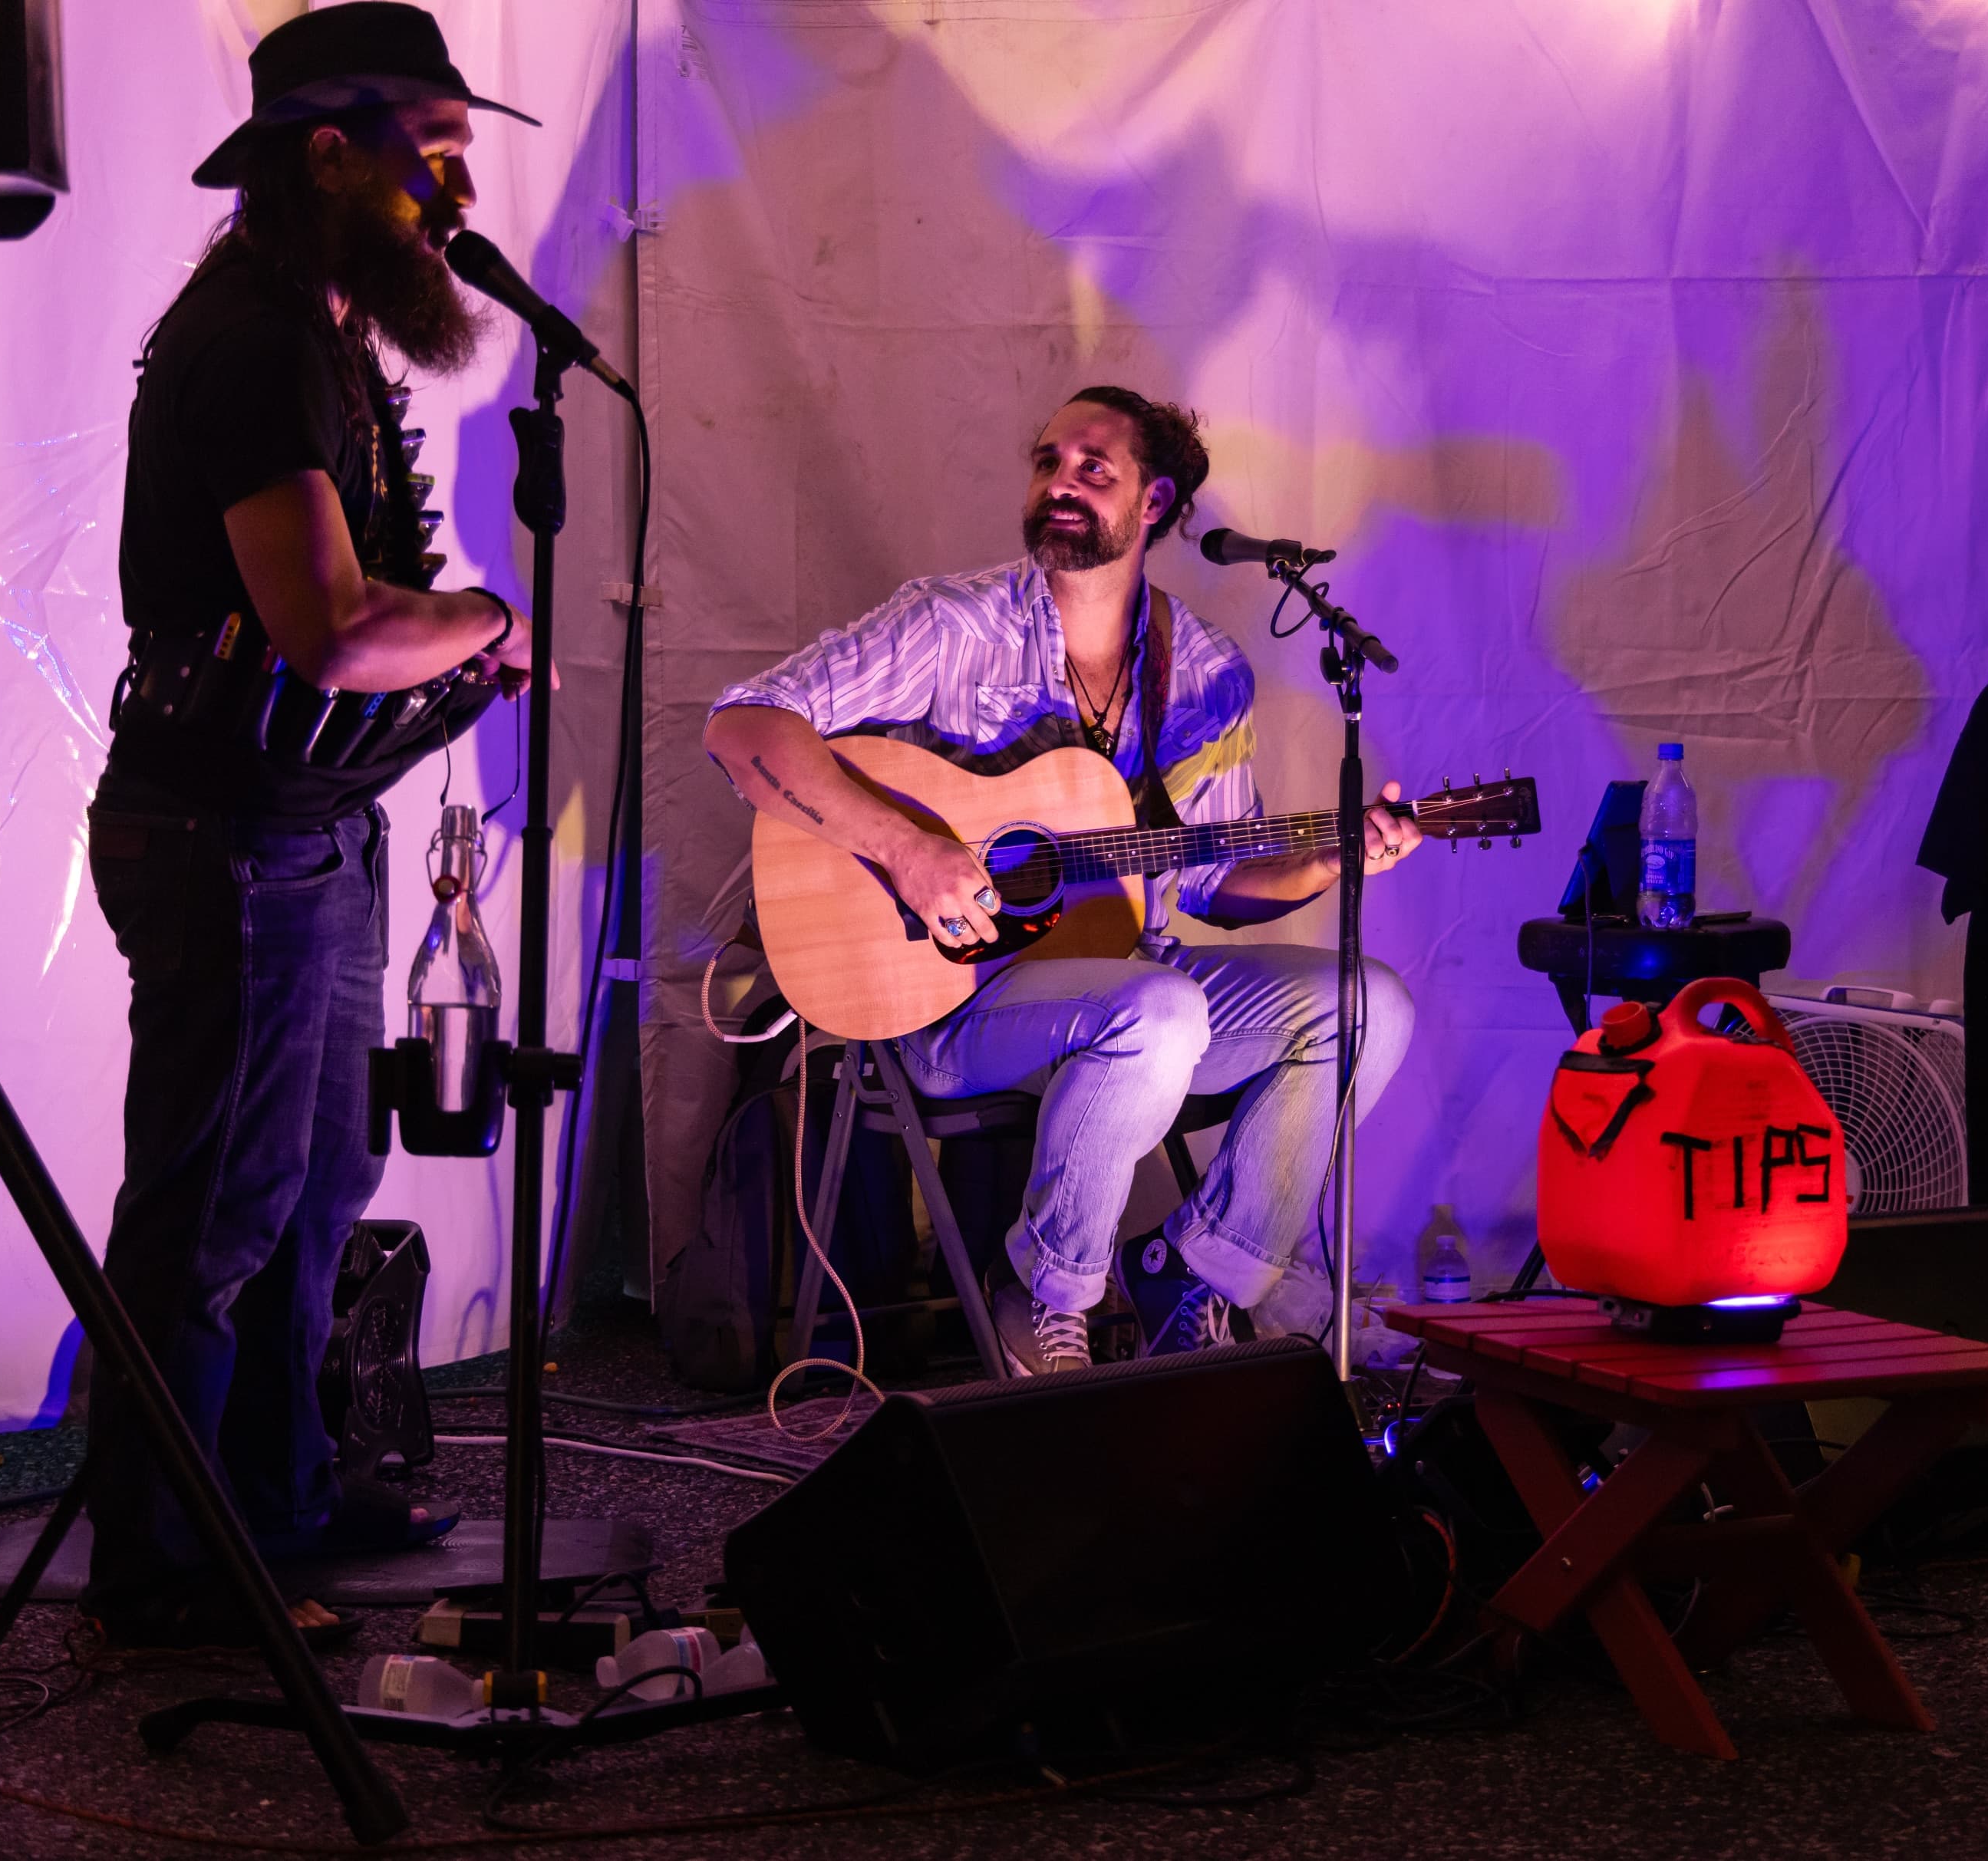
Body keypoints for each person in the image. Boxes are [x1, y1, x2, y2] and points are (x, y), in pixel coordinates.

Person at [84, 3, 543, 1648]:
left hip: (310, 830)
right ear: (329, 155)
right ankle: (161, 1557)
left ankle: (270, 1496)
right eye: (434, 156)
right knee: (214, 1205)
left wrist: (462, 640)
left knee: (320, 1177)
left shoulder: (323, 336)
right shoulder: (254, 342)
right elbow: (335, 632)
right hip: (227, 840)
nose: (456, 194)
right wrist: (484, 619)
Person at [704, 388, 1420, 1374]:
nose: (1060, 482)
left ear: (1156, 500)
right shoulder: (952, 626)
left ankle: (1196, 1272)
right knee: (1159, 1009)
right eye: (1048, 461)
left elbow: (1212, 882)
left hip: (1132, 983)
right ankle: (1046, 1291)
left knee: (1366, 1001)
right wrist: (905, 850)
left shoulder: (1204, 669)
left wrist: (1332, 856)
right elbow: (744, 725)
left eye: (1093, 467)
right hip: (951, 1003)